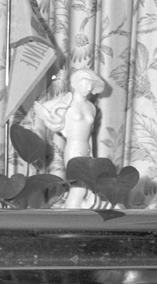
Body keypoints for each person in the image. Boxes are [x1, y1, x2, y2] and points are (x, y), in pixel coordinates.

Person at [37, 68, 106, 208]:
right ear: (77, 83)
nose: (88, 88)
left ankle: (75, 215)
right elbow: (43, 108)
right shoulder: (67, 103)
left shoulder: (91, 107)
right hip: (73, 149)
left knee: (86, 188)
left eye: (91, 85)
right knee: (78, 188)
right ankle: (71, 216)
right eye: (85, 83)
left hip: (87, 149)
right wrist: (57, 119)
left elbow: (90, 135)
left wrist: (92, 156)